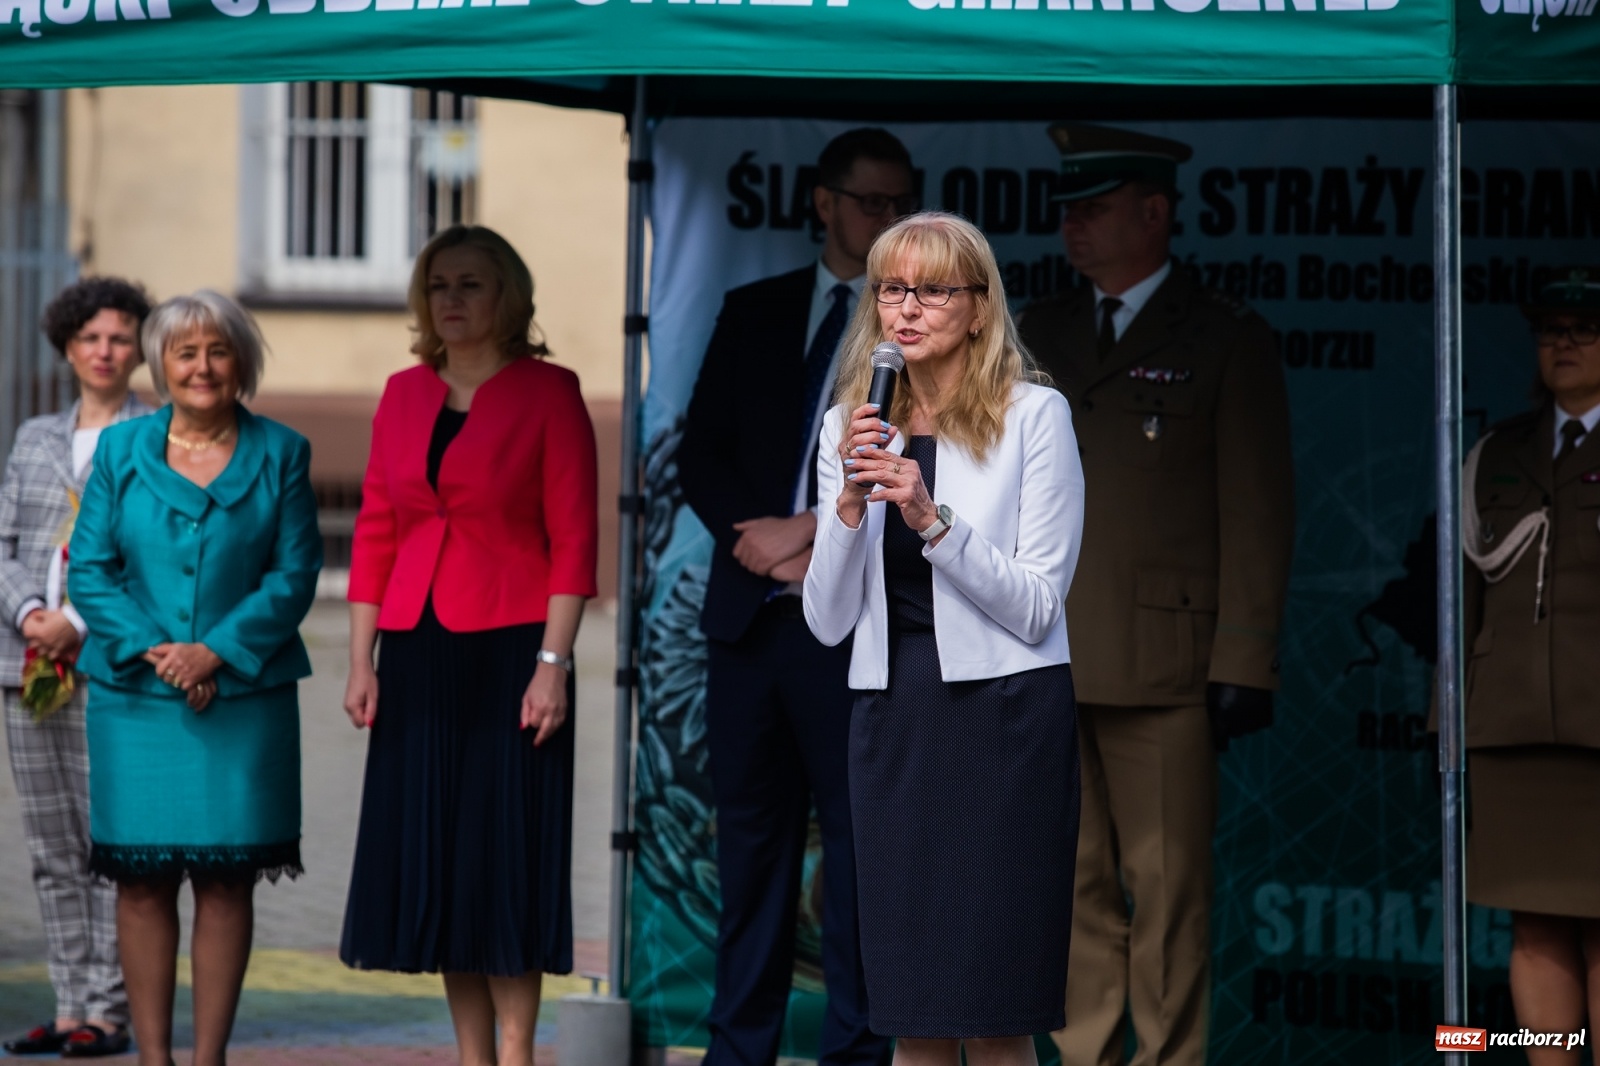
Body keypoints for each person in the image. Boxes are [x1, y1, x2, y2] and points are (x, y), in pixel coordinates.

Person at [1017, 122, 1294, 1066]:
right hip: (1047, 650)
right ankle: (1087, 1055)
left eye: (1094, 210)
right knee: (1074, 883)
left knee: (1167, 890)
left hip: (1167, 665)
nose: (1073, 229)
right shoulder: (1036, 331)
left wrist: (1244, 657)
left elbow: (1257, 509)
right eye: (1068, 211)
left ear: (1154, 212)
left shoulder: (1223, 336)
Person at [803, 211, 1084, 1066]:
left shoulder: (1036, 416)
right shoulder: (850, 427)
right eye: (891, 289)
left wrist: (931, 520)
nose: (907, 309)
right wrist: (849, 510)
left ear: (979, 304)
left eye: (931, 290)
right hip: (895, 719)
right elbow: (824, 620)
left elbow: (1037, 605)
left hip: (1005, 720)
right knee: (915, 1009)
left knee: (997, 1012)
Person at [677, 127, 916, 1066]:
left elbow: (922, 466)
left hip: (853, 630)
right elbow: (702, 450)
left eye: (903, 203)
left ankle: (857, 1056)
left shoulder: (915, 332)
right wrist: (761, 540)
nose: (887, 219)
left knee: (859, 857)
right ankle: (740, 1052)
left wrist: (809, 534)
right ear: (824, 203)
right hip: (749, 622)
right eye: (871, 202)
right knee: (752, 855)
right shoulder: (757, 309)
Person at [339, 224, 599, 1066]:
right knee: (444, 866)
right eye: (439, 284)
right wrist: (359, 659)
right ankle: (472, 1058)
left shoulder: (551, 392)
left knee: (505, 862)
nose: (452, 299)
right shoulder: (402, 393)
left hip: (516, 651)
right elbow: (375, 529)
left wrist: (552, 668)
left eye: (471, 284)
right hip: (417, 652)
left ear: (507, 298)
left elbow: (575, 541)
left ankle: (517, 1056)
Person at [67, 289, 322, 1066]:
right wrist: (163, 652)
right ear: (160, 364)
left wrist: (214, 652)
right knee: (140, 884)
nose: (202, 367)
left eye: (218, 351)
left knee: (225, 880)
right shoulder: (118, 450)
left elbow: (295, 572)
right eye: (185, 352)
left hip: (243, 697)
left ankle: (206, 1059)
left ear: (241, 362)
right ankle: (153, 1058)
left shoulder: (283, 452)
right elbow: (90, 569)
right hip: (135, 698)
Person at [0, 278, 153, 1059]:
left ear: (137, 349)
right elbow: (1, 544)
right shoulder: (32, 436)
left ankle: (109, 1008)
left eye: (120, 339)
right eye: (90, 338)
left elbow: (149, 556)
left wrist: (79, 622)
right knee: (50, 843)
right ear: (66, 347)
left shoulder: (154, 434)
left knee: (108, 841)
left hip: (108, 667)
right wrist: (30, 612)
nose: (104, 352)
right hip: (24, 667)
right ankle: (66, 1005)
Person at [1457, 269, 1600, 1066]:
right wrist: (1455, 725)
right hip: (1513, 728)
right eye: (1551, 330)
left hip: (1598, 729)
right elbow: (1466, 604)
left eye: (1584, 328)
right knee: (1535, 923)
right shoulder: (1499, 452)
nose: (1564, 344)